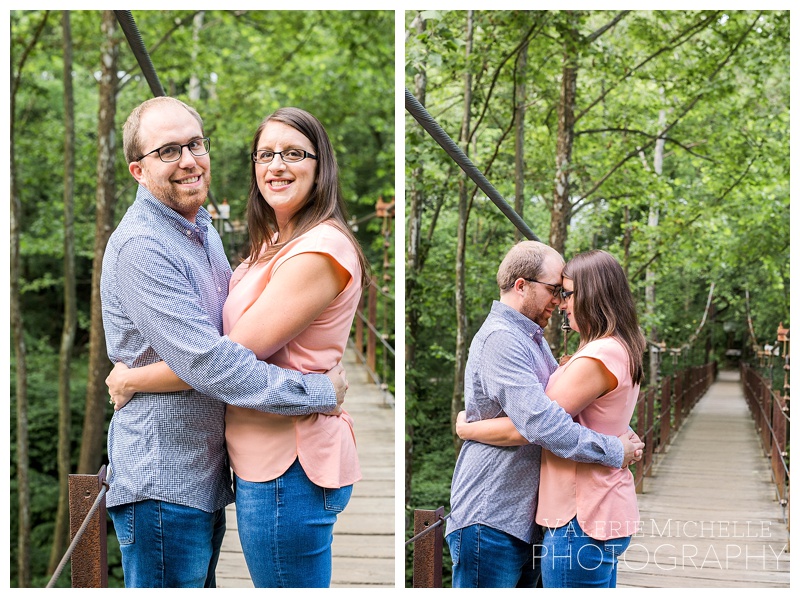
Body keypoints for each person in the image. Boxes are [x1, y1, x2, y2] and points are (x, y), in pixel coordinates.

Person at [106, 107, 369, 588]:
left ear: (321, 164)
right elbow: (212, 361)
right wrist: (318, 391)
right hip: (169, 475)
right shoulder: (146, 244)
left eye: (195, 144)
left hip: (251, 466)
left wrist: (133, 377)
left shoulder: (202, 227)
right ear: (138, 171)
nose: (188, 159)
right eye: (168, 151)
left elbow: (215, 356)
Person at [445, 240, 643, 588]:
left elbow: (551, 416)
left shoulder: (534, 339)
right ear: (521, 286)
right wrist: (614, 449)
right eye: (554, 289)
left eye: (565, 293)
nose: (560, 301)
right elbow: (539, 424)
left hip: (530, 516)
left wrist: (469, 429)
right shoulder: (502, 339)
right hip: (493, 513)